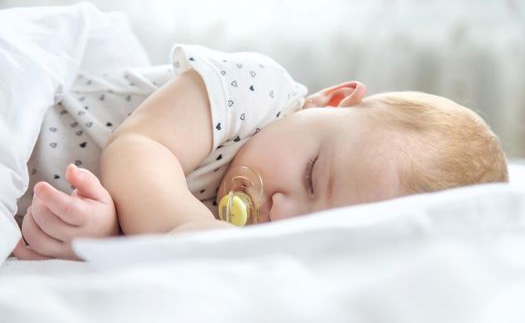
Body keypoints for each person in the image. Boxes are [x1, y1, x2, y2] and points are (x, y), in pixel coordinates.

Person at [12, 45, 509, 260]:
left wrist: (103, 230)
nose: (282, 210)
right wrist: (191, 234)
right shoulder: (256, 90)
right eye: (313, 176)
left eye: (312, 225)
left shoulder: (244, 233)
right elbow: (140, 149)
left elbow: (136, 212)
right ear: (332, 100)